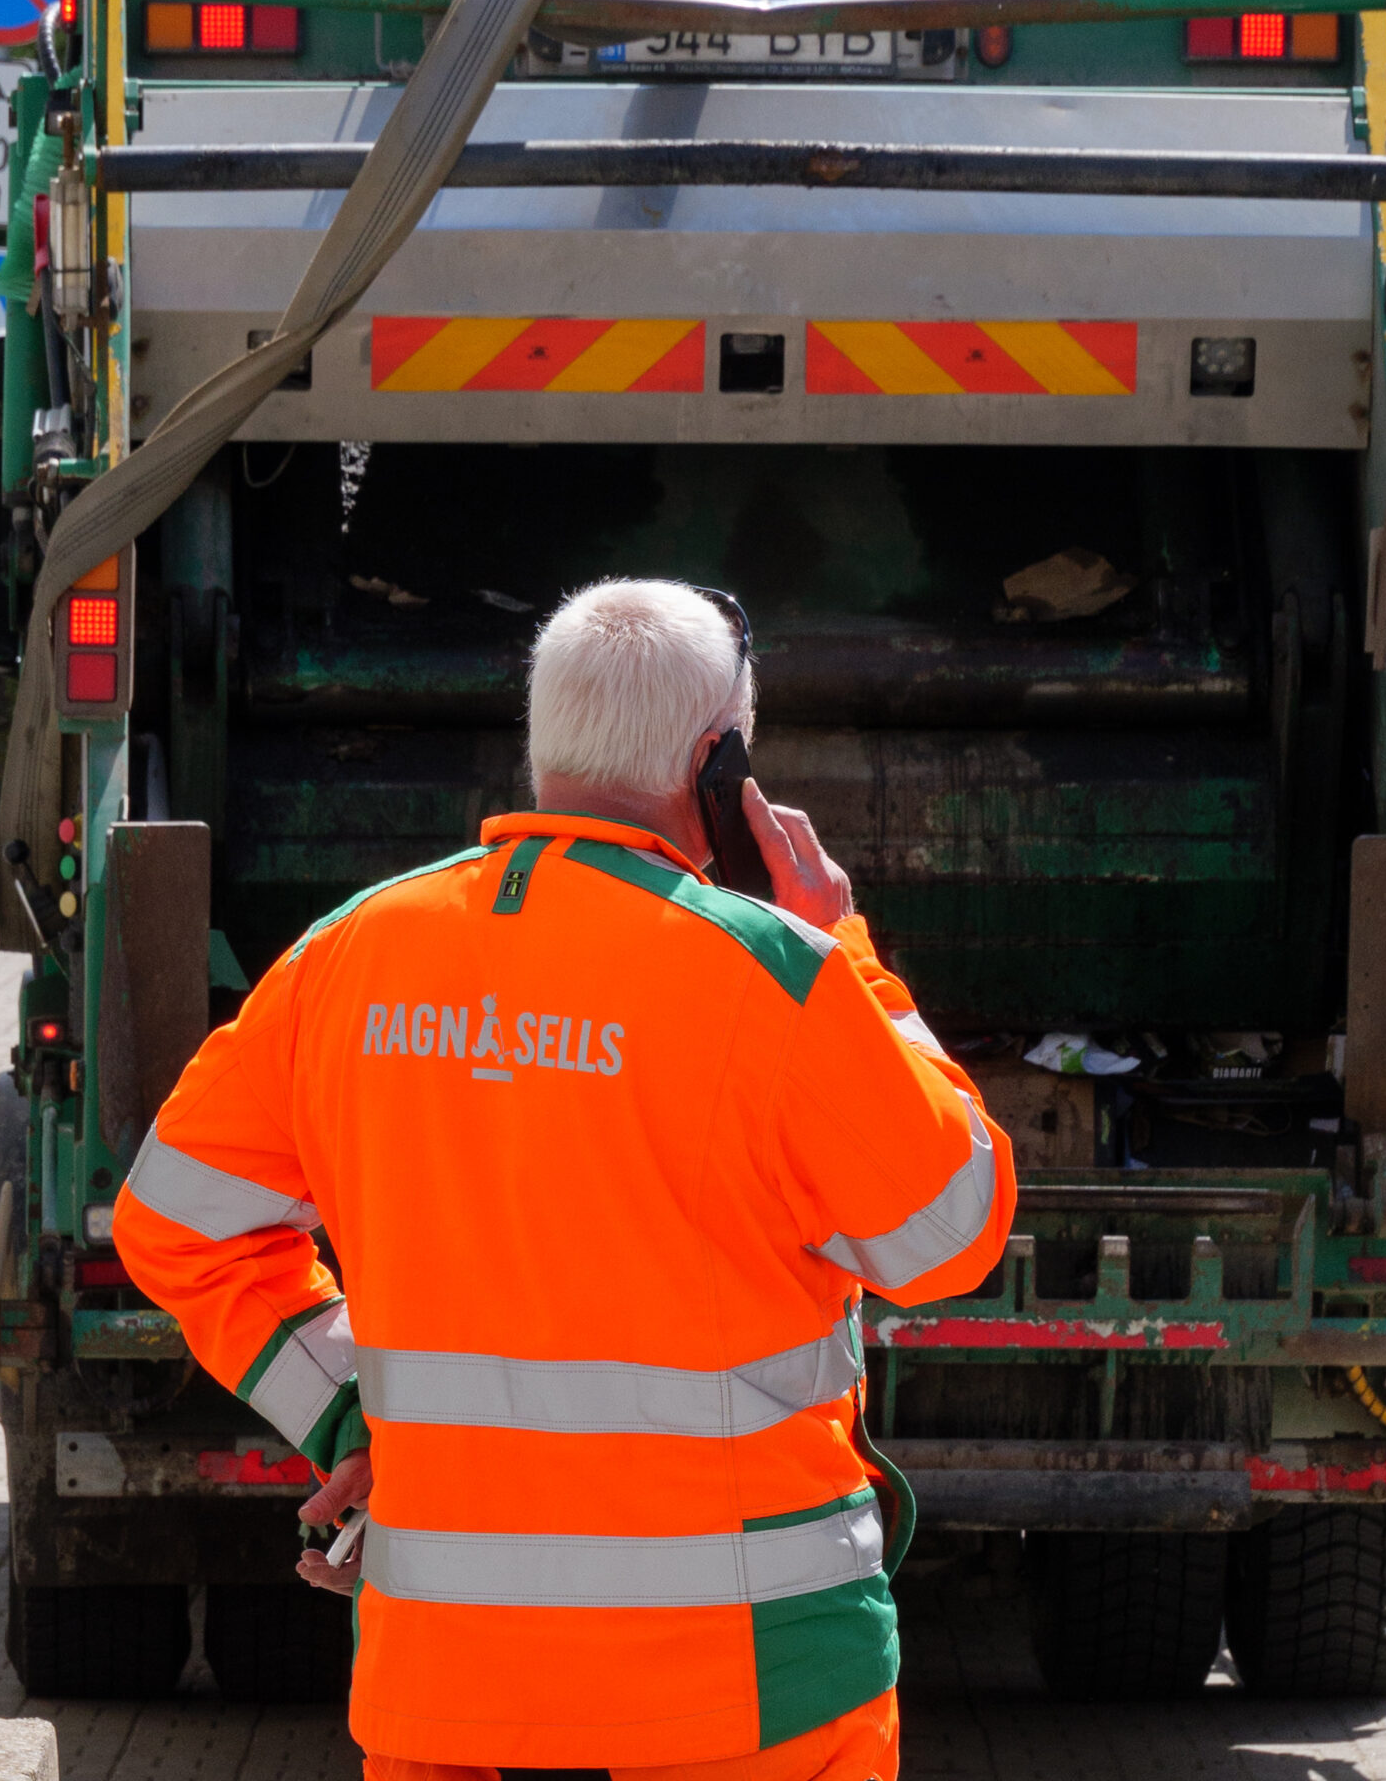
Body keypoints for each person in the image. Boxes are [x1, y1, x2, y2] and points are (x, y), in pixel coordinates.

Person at [114, 577, 1015, 1781]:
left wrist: (351, 1407)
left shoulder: (345, 955)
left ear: (545, 742)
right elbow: (945, 1234)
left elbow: (177, 1221)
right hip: (753, 1684)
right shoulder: (781, 977)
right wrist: (854, 961)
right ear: (719, 760)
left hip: (449, 1685)